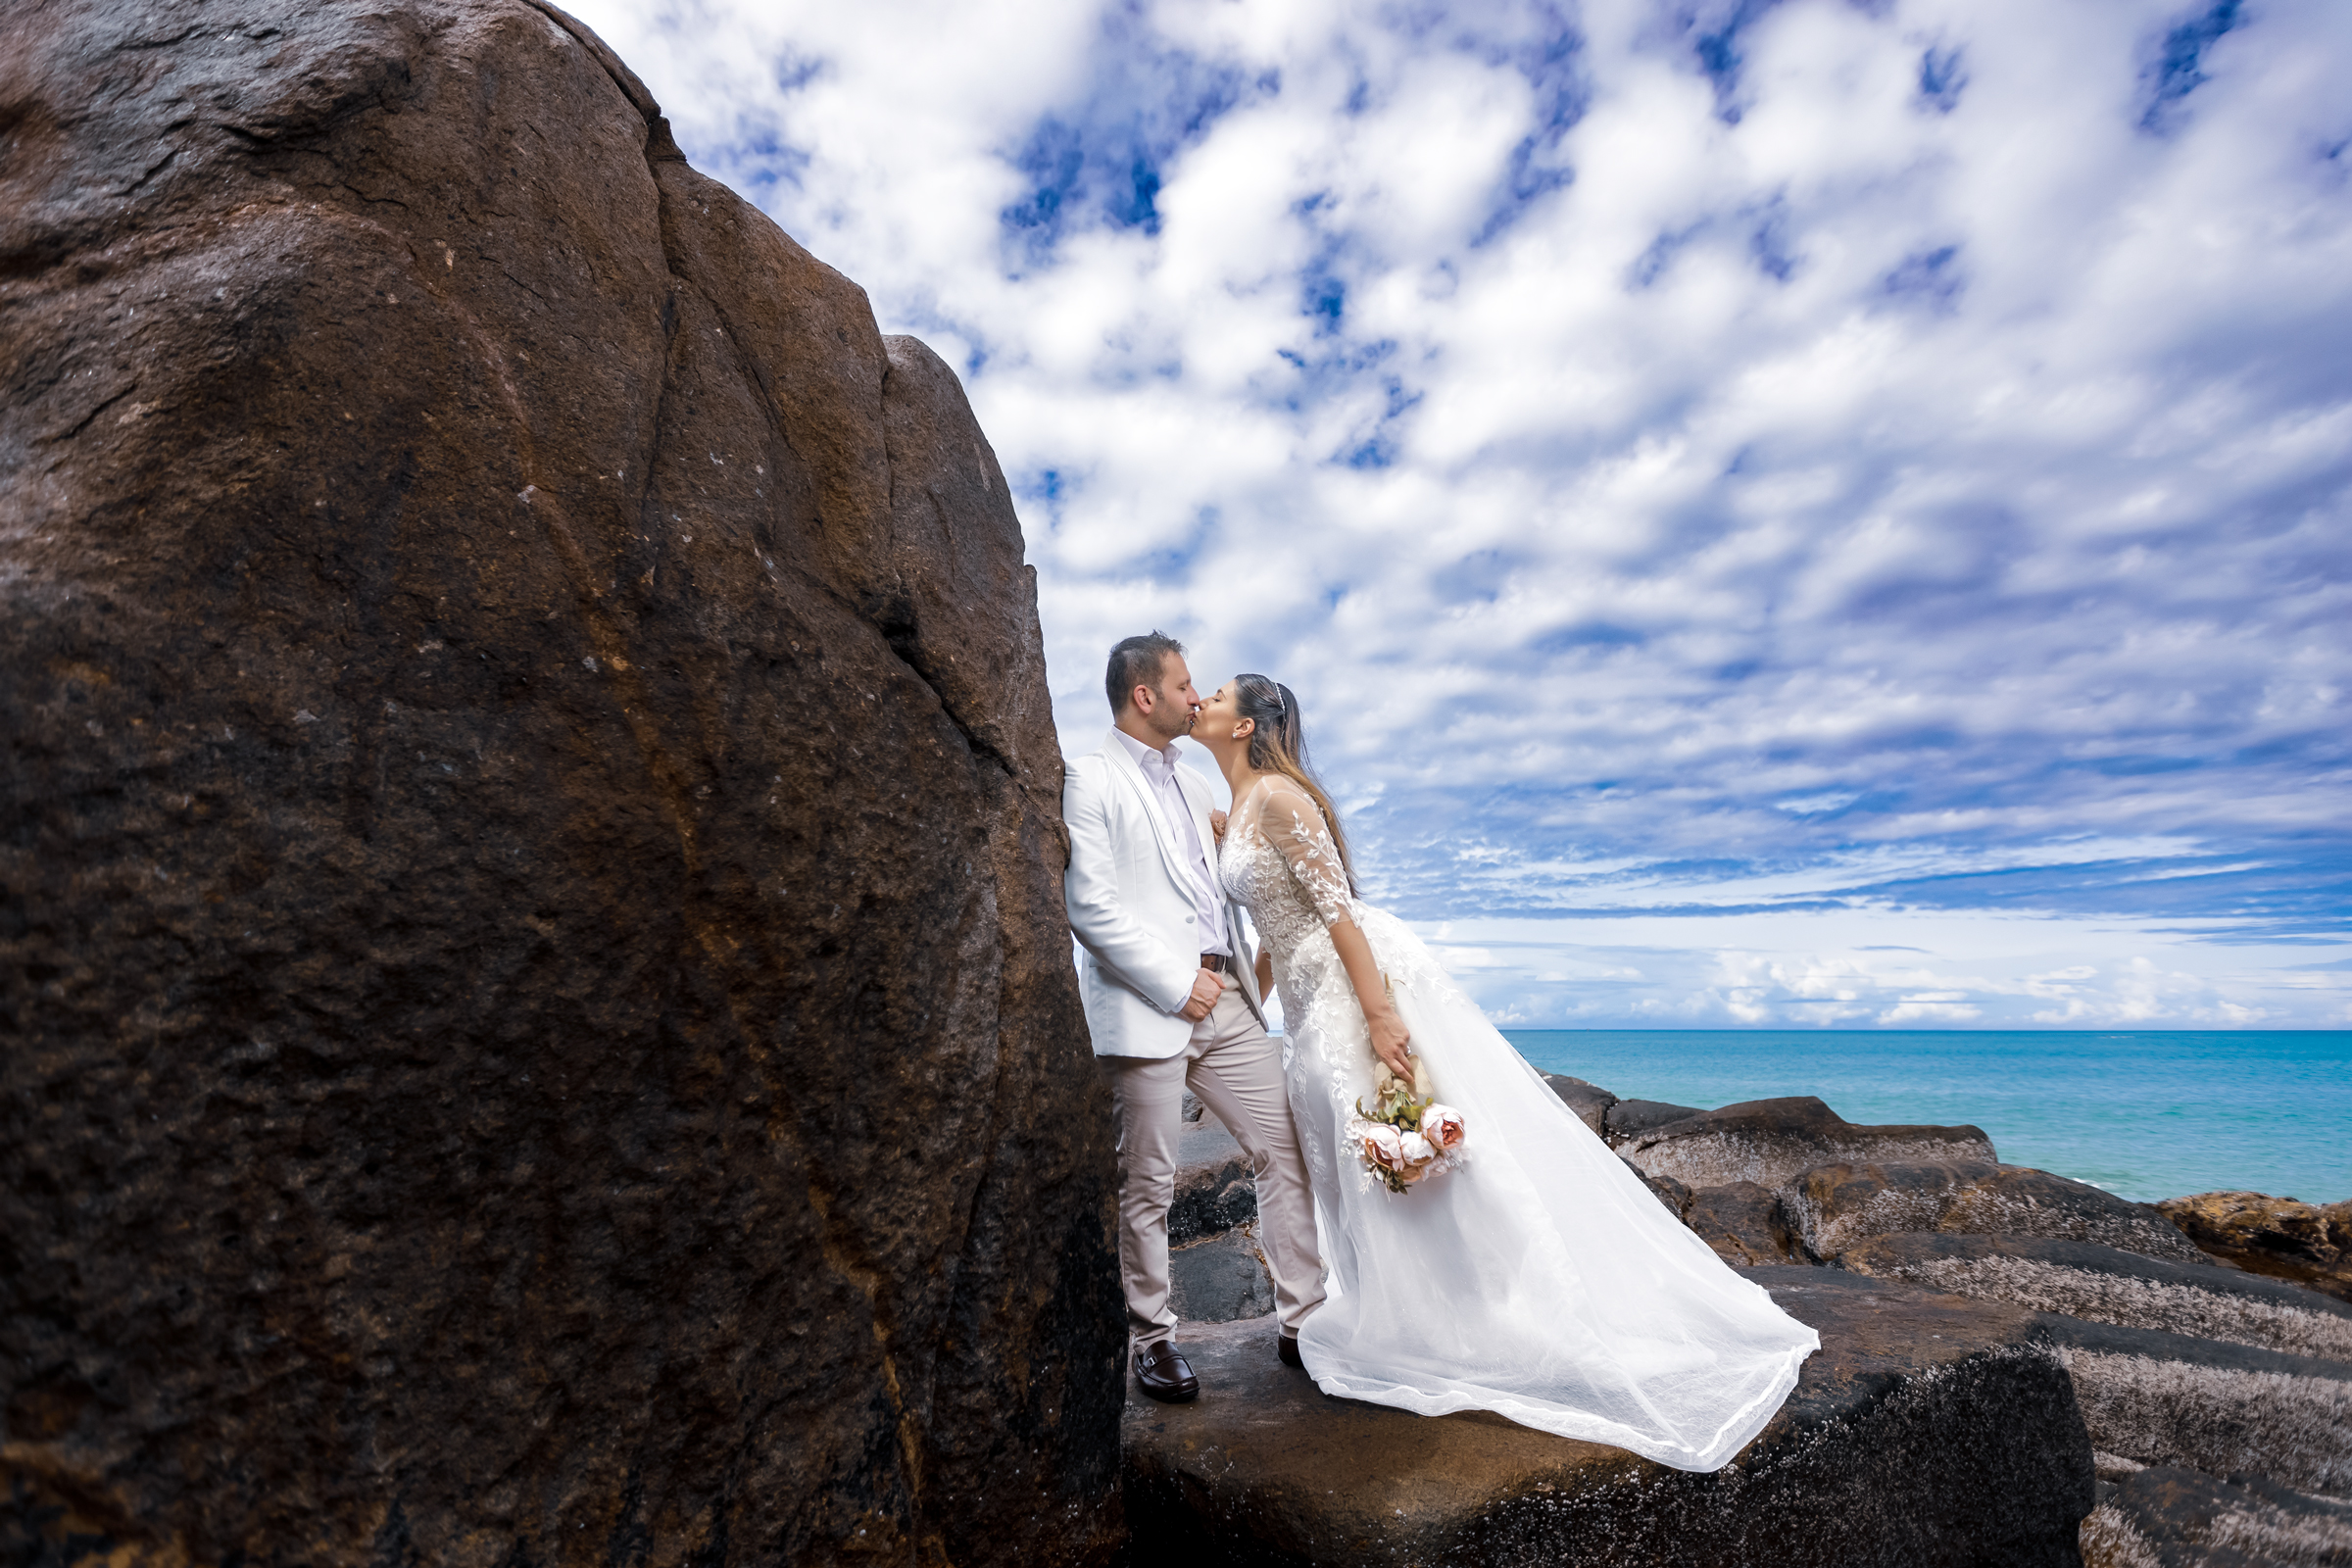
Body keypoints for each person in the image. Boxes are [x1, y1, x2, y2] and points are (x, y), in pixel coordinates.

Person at [1189, 671, 1820, 1471]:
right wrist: (1256, 1004)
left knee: (1408, 1150)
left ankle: (1486, 1315)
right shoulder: (1240, 808)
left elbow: (1337, 910)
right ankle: (1411, 1312)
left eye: (1214, 695)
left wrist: (1380, 1016)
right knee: (1352, 1162)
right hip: (1307, 1006)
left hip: (1353, 992)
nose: (1201, 701)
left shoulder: (1281, 798)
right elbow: (1275, 929)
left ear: (1245, 726)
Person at [1062, 634, 1325, 1402]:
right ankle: (1152, 1340)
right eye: (1183, 685)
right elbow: (1092, 907)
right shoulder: (1090, 775)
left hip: (1234, 1002)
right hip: (1152, 1007)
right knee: (1148, 1185)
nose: (1195, 695)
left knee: (1288, 1151)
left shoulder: (1195, 788)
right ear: (1146, 696)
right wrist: (1178, 987)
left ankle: (1302, 1320)